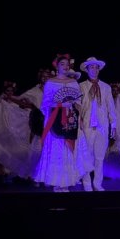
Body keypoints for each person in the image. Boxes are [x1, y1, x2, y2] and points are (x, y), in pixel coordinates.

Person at [33, 54, 92, 192]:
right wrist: (60, 104)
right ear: (57, 66)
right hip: (55, 121)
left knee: (69, 151)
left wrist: (78, 114)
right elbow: (45, 104)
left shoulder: (73, 83)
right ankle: (57, 183)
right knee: (57, 151)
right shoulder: (50, 82)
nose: (65, 67)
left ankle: (66, 182)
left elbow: (78, 102)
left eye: (67, 64)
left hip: (71, 120)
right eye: (62, 64)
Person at [78, 57, 117, 191]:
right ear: (87, 70)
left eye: (96, 67)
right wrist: (79, 120)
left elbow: (110, 106)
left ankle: (97, 183)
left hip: (102, 124)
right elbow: (77, 105)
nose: (94, 70)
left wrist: (114, 124)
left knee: (99, 156)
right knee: (86, 154)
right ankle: (87, 182)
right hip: (87, 125)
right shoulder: (81, 86)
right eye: (91, 67)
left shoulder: (105, 87)